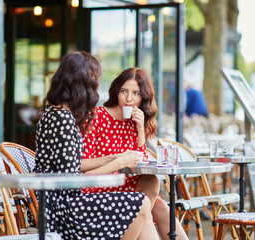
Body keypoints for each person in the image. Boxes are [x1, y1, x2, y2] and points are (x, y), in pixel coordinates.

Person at [34, 52, 159, 240]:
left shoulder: (58, 114)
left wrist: (115, 157)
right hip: (61, 209)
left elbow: (75, 164)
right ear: (83, 84)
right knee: (140, 204)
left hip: (59, 201)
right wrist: (118, 163)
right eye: (95, 81)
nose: (96, 88)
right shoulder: (62, 118)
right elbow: (73, 179)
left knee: (145, 204)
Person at [82, 67, 188, 240]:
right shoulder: (96, 117)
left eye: (136, 93)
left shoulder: (135, 122)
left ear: (143, 98)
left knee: (153, 188)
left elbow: (141, 162)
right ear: (116, 91)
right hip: (97, 186)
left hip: (122, 185)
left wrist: (140, 129)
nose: (128, 98)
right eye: (124, 91)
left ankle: (135, 224)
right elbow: (84, 166)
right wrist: (118, 161)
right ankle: (133, 227)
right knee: (151, 204)